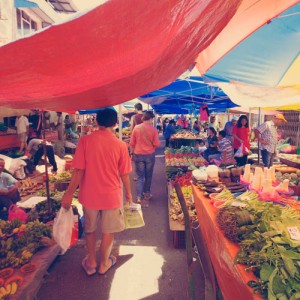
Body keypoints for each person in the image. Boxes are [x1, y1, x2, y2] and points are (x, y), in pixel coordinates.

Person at [62, 108, 132, 276]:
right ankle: (104, 263)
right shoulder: (121, 145)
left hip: (89, 195)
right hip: (112, 195)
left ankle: (92, 262)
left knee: (90, 230)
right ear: (116, 124)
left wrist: (69, 193)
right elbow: (124, 174)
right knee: (109, 231)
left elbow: (78, 170)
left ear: (96, 121)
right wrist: (129, 194)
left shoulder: (85, 141)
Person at [130, 111, 160, 206]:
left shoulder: (136, 128)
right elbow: (156, 144)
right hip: (149, 155)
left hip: (138, 154)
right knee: (148, 175)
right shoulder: (154, 130)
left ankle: (138, 196)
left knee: (139, 176)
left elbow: (132, 143)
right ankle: (146, 194)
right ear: (151, 118)